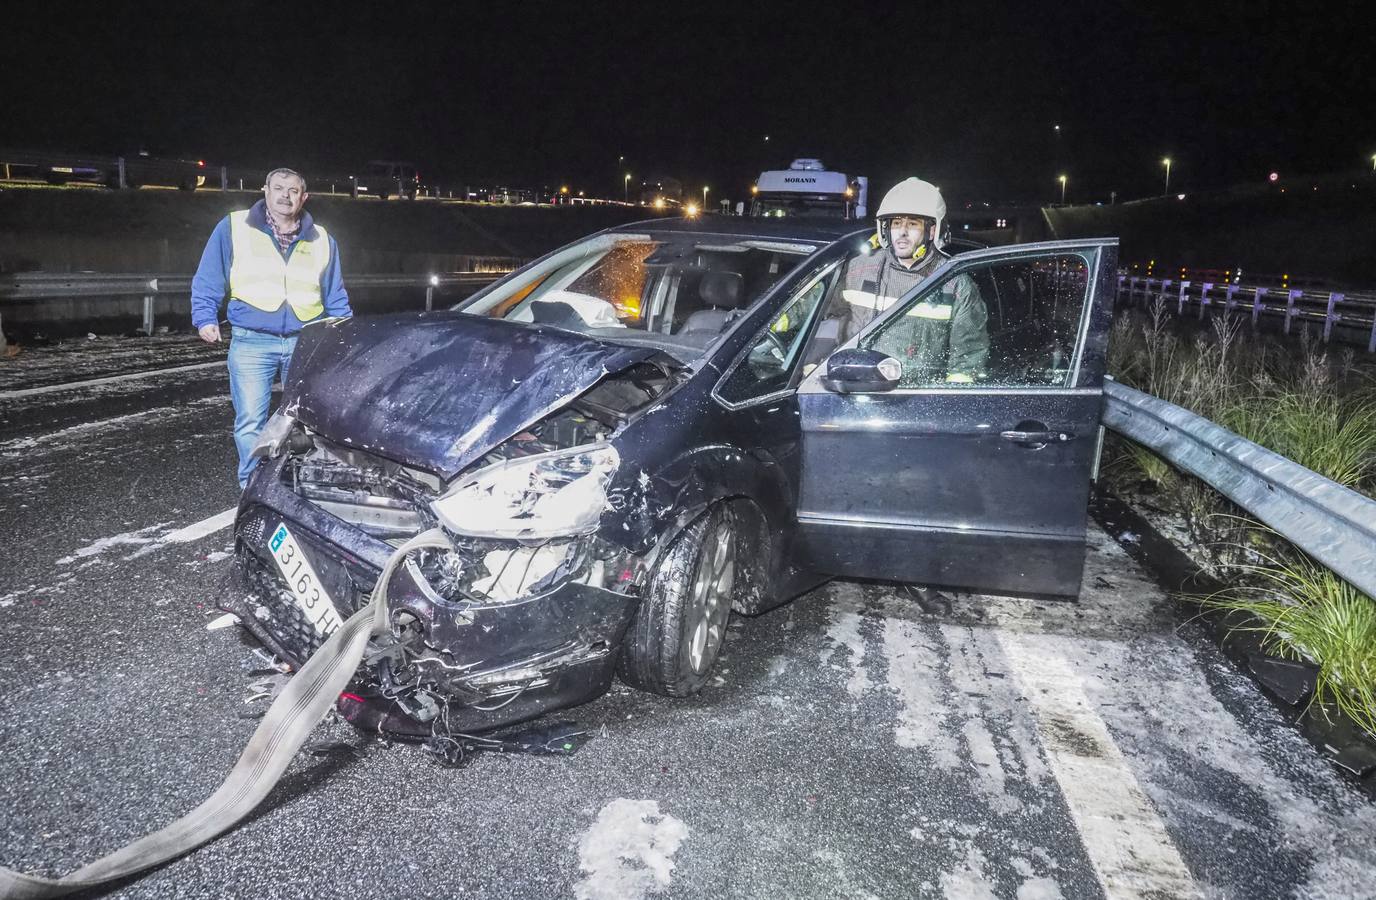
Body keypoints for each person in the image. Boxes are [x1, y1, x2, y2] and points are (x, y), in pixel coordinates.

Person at [191, 168, 351, 487]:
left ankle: (302, 485)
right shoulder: (234, 227)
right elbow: (209, 275)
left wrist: (345, 334)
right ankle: (252, 486)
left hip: (306, 342)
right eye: (278, 188)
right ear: (265, 190)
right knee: (251, 421)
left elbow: (335, 291)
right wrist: (204, 316)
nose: (285, 196)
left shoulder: (322, 238)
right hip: (252, 342)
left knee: (307, 421)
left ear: (304, 197)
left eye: (293, 191)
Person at [835, 177, 988, 383]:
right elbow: (821, 305)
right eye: (896, 223)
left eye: (913, 224)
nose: (902, 232)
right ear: (886, 228)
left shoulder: (954, 283)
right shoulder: (861, 268)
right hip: (856, 387)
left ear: (932, 230)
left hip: (914, 397)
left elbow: (967, 357)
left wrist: (950, 399)